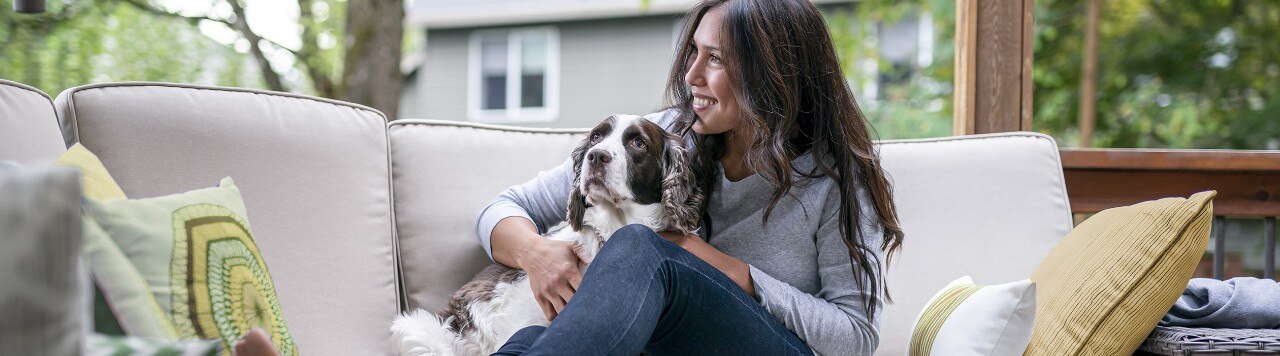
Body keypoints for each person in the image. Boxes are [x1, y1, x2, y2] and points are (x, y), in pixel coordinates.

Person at [477, 0, 905, 354]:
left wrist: (731, 270)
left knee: (639, 244)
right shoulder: (671, 134)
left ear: (773, 74)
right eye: (694, 53)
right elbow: (502, 209)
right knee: (533, 339)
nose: (690, 76)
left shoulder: (837, 180)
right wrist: (538, 255)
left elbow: (857, 338)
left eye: (714, 58)